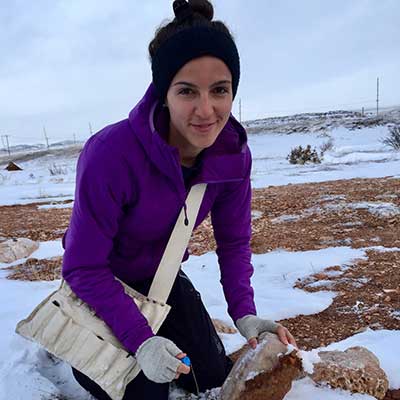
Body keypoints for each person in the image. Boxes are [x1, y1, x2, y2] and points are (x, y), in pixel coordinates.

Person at [62, 1, 297, 399]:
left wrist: (244, 311)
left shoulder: (232, 156)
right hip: (101, 285)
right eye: (187, 91)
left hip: (162, 280)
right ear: (164, 92)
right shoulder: (110, 154)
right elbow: (83, 267)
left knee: (207, 375)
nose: (206, 111)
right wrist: (141, 339)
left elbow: (235, 242)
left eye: (220, 90)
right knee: (147, 391)